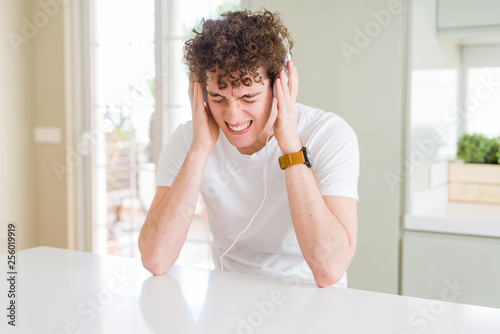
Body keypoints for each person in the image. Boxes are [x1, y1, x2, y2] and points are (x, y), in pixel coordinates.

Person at [138, 9, 359, 288]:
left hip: (313, 301)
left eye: (248, 97)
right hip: (229, 298)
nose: (232, 116)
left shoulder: (329, 135)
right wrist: (200, 150)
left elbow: (329, 269)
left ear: (282, 86)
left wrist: (290, 143)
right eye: (218, 97)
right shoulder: (190, 139)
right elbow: (155, 258)